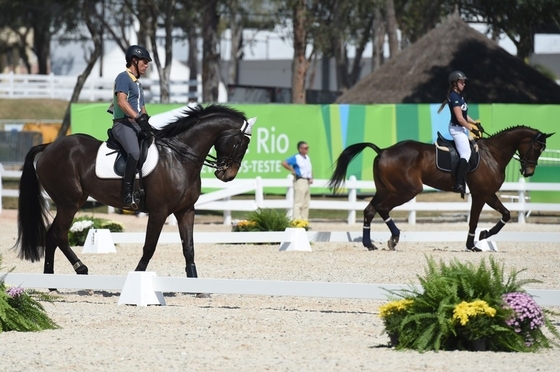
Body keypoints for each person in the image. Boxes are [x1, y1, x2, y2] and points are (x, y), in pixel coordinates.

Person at [110, 45, 153, 210]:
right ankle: (127, 195)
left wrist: (147, 123)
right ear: (134, 61)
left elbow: (142, 108)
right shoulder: (123, 77)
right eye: (144, 61)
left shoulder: (139, 85)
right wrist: (138, 118)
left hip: (135, 124)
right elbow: (122, 102)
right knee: (134, 152)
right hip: (123, 124)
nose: (147, 65)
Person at [437, 70, 481, 196]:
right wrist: (472, 130)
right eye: (462, 82)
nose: (464, 84)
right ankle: (459, 183)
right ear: (455, 83)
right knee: (466, 154)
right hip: (457, 129)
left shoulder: (459, 96)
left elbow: (465, 116)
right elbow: (460, 119)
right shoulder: (454, 97)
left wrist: (475, 123)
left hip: (461, 128)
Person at [282, 141, 313, 221]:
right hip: (300, 180)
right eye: (305, 148)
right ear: (300, 149)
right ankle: (297, 220)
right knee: (298, 202)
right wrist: (293, 170)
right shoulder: (296, 157)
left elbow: (309, 169)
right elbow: (284, 163)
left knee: (306, 203)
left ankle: (304, 221)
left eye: (307, 148)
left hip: (306, 181)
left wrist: (311, 177)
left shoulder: (307, 158)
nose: (307, 150)